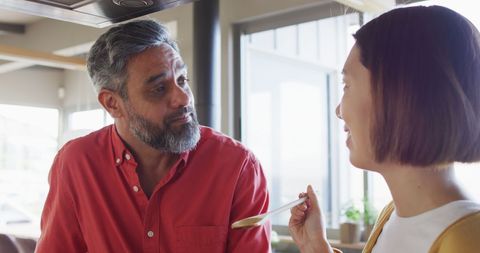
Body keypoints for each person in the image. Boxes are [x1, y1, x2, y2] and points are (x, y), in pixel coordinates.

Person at [36, 20, 270, 253]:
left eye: (182, 80)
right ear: (112, 104)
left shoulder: (238, 166)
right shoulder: (77, 163)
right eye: (159, 88)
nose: (183, 99)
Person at [289, 5, 480, 253]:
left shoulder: (469, 242)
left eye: (346, 86)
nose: (339, 110)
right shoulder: (391, 216)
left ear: (398, 95)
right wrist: (317, 249)